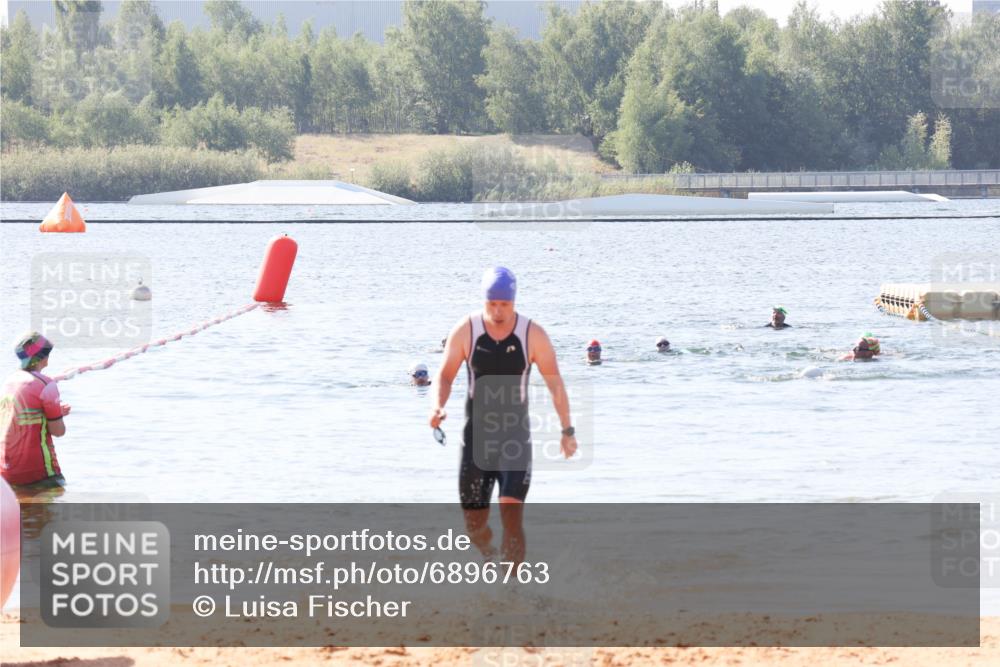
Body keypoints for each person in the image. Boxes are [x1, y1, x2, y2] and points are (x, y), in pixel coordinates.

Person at [430, 267, 577, 563]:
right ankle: (491, 559)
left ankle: (513, 590)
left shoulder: (532, 334)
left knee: (511, 516)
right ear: (484, 301)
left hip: (515, 440)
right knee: (474, 527)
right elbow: (444, 375)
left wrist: (567, 430)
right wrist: (437, 405)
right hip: (476, 442)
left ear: (514, 302)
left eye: (504, 305)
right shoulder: (466, 330)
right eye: (492, 304)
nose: (497, 312)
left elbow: (555, 383)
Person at [1, 333, 71, 489]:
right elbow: (58, 431)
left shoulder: (8, 382)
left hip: (6, 472)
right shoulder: (46, 384)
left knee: (24, 512)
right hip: (38, 472)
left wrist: (50, 413)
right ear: (42, 357)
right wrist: (57, 415)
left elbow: (18, 417)